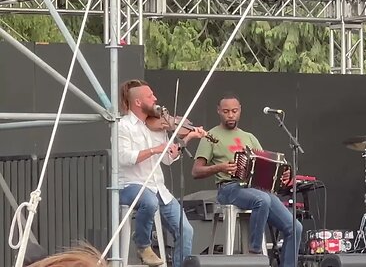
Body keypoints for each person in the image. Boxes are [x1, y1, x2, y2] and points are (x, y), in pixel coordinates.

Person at [191, 93, 303, 267]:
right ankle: (255, 253)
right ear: (219, 111)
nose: (230, 115)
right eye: (226, 111)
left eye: (234, 111)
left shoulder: (249, 137)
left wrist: (282, 176)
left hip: (255, 189)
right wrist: (219, 167)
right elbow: (196, 171)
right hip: (228, 188)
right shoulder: (210, 136)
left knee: (295, 228)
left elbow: (266, 166)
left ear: (240, 111)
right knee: (262, 199)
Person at [118, 79, 207, 267]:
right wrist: (155, 149)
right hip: (130, 185)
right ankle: (143, 245)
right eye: (150, 96)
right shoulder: (122, 126)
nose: (155, 98)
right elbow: (124, 158)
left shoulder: (158, 125)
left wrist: (186, 140)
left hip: (158, 188)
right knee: (149, 201)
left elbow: (167, 159)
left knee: (186, 230)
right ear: (138, 102)